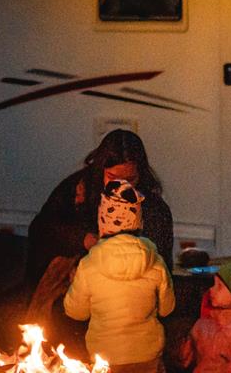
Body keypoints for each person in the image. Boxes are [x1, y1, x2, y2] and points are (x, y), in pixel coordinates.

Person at [25, 129, 176, 359]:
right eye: (115, 179)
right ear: (100, 171)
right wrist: (83, 239)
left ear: (141, 175)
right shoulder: (77, 191)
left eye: (131, 180)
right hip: (75, 292)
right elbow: (42, 229)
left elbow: (162, 265)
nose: (123, 186)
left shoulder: (153, 207)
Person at [64, 180, 177, 373]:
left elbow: (76, 312)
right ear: (139, 221)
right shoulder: (155, 261)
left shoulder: (89, 265)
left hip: (105, 358)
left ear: (102, 221)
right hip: (148, 355)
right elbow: (167, 309)